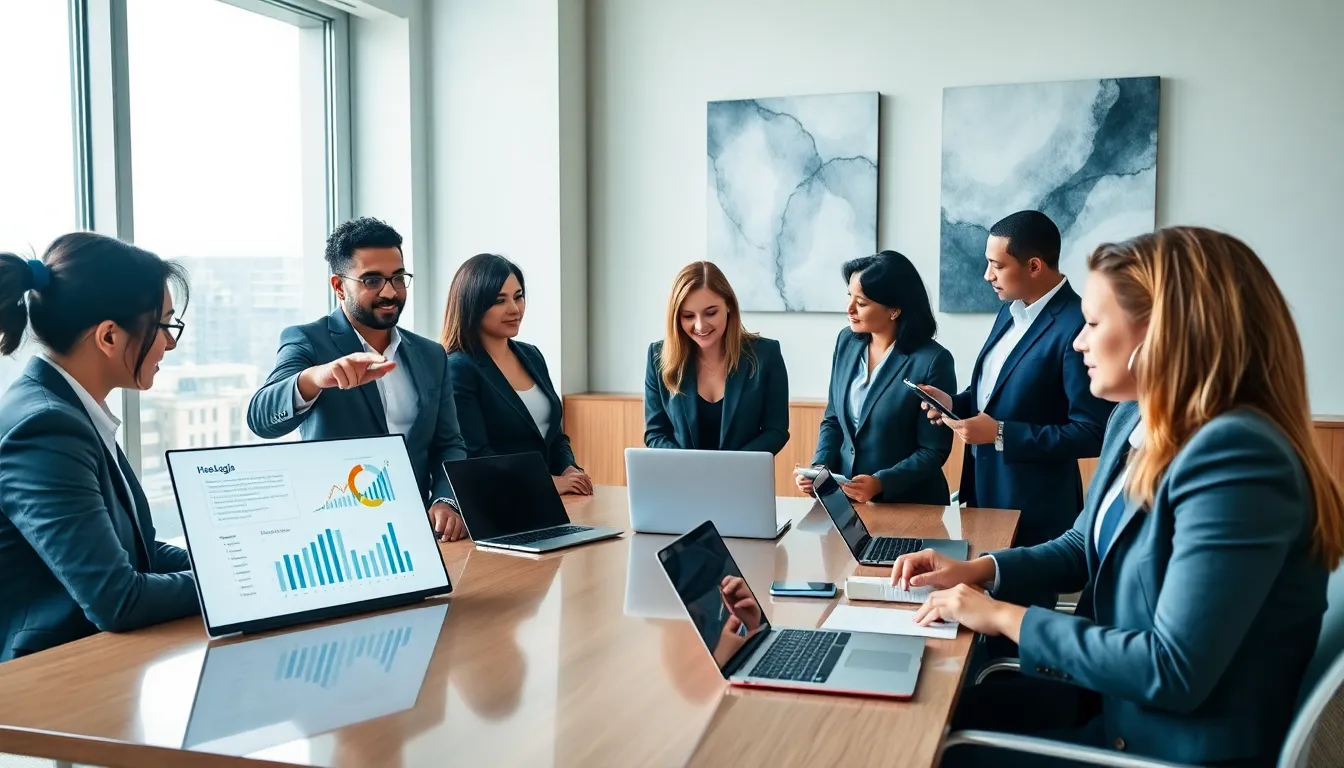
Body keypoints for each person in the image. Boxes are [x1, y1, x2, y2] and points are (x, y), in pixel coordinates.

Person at [893, 226, 1344, 767]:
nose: (1079, 341)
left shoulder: (1238, 459)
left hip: (1158, 749)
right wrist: (976, 570)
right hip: (1108, 709)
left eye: (1092, 323)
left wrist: (1000, 617)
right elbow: (1083, 544)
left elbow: (1170, 669)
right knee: (909, 711)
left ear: (1161, 332)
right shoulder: (1133, 418)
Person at [0, 234, 201, 660]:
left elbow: (138, 549)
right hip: (46, 681)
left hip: (93, 664)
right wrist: (238, 582)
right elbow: (118, 598)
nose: (169, 343)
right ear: (109, 336)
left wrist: (226, 560)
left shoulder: (71, 408)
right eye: (164, 326)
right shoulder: (46, 427)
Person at [247, 218, 469, 541]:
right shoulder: (308, 340)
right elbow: (260, 417)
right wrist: (316, 378)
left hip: (416, 530)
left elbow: (449, 443)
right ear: (339, 287)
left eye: (398, 278)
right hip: (335, 532)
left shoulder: (431, 355)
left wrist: (446, 500)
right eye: (372, 280)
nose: (390, 292)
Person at [920, 211, 1113, 546]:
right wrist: (954, 403)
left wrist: (999, 434)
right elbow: (996, 395)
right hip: (983, 499)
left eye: (997, 265)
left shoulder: (1077, 325)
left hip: (1035, 514)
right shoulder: (1008, 312)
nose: (987, 275)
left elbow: (1092, 432)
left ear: (1034, 266)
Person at [795, 251, 955, 506]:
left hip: (912, 506)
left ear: (894, 309)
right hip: (848, 504)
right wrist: (819, 469)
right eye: (850, 297)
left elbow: (933, 450)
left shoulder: (933, 361)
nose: (849, 309)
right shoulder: (846, 341)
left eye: (861, 303)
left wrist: (881, 482)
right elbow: (834, 418)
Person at [441, 253, 592, 496]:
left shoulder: (531, 355)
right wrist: (546, 483)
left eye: (518, 297)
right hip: (503, 501)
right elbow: (478, 454)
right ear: (473, 305)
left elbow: (554, 435)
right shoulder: (458, 367)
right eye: (500, 300)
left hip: (555, 500)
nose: (514, 309)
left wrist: (568, 469)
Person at [644, 262, 788, 453]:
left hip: (743, 478)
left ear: (729, 305)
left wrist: (729, 466)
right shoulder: (658, 358)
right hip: (681, 478)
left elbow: (776, 430)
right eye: (688, 316)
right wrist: (689, 465)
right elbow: (656, 433)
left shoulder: (766, 354)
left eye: (710, 313)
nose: (700, 326)